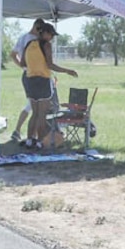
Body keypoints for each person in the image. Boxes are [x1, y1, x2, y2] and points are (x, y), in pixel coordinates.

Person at [24, 21, 78, 151]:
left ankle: (29, 140)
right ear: (45, 33)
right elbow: (50, 65)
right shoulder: (46, 45)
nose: (52, 38)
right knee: (42, 114)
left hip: (30, 80)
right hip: (42, 80)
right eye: (51, 35)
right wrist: (67, 71)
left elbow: (22, 62)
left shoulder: (29, 44)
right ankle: (41, 142)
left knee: (35, 113)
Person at [9, 21, 43, 143]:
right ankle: (28, 134)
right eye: (39, 29)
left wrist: (22, 67)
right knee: (34, 106)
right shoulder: (32, 39)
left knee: (31, 105)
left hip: (31, 74)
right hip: (33, 75)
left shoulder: (23, 38)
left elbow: (13, 55)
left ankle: (21, 132)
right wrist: (23, 66)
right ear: (35, 26)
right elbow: (13, 55)